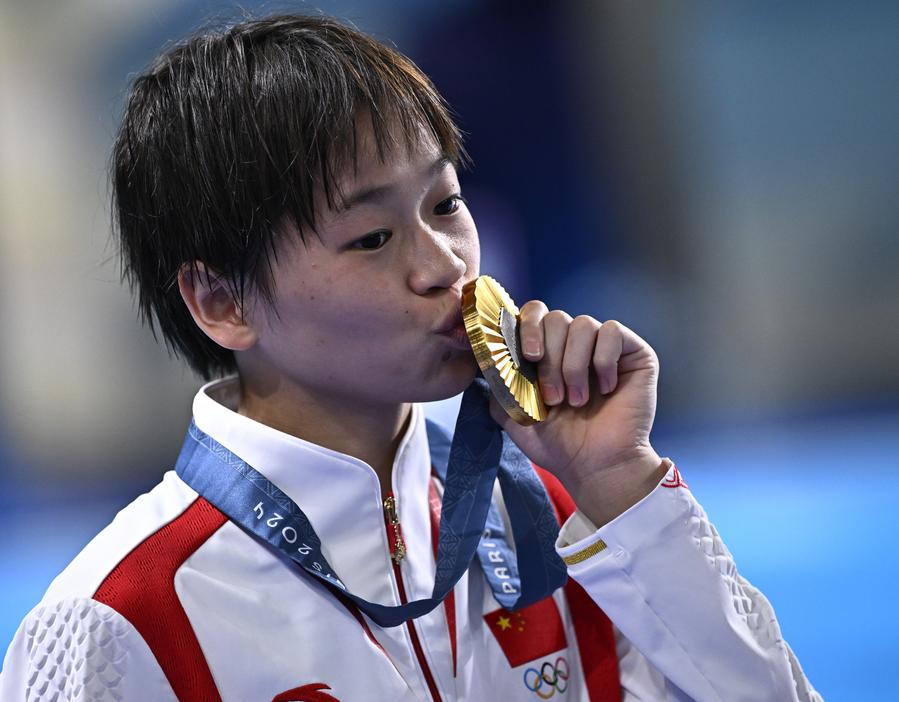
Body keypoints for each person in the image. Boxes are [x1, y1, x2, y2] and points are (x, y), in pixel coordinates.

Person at [0, 13, 821, 702]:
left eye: (446, 203)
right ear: (222, 301)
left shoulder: (561, 519)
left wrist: (622, 485)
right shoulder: (125, 616)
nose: (444, 265)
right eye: (371, 238)